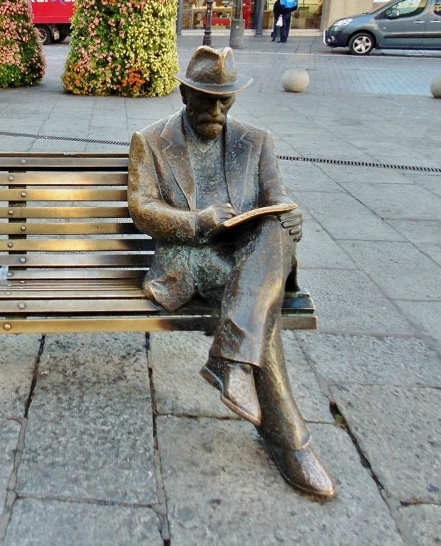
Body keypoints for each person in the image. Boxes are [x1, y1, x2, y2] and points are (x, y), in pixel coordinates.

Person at [128, 46, 335, 500]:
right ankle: (291, 443)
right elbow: (142, 209)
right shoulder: (150, 140)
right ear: (184, 93)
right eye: (206, 99)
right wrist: (200, 221)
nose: (216, 110)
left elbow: (278, 200)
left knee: (272, 243)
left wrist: (292, 218)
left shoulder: (257, 141)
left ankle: (234, 361)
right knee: (262, 303)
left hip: (247, 261)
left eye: (225, 100)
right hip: (189, 261)